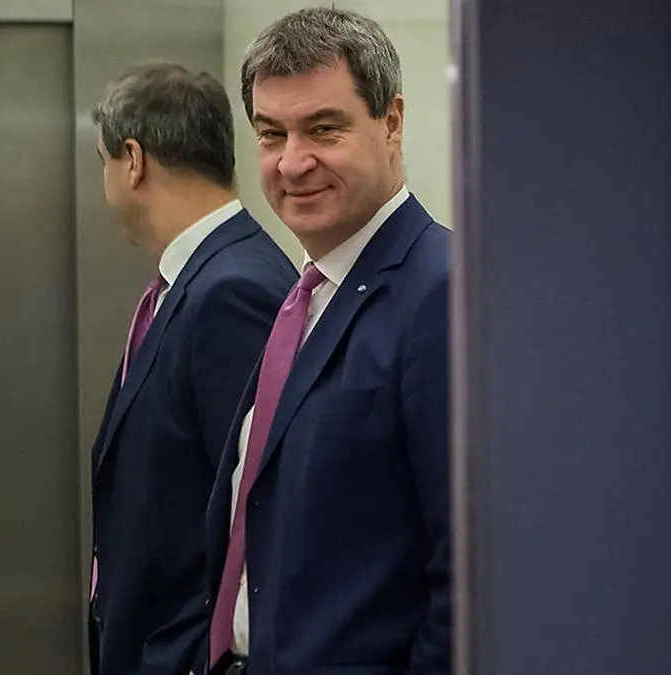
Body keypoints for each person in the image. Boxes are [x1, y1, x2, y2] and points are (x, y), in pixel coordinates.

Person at [204, 8, 452, 675]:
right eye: (271, 133)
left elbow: (467, 571)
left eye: (323, 129)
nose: (293, 162)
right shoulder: (308, 297)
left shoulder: (442, 295)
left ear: (391, 122)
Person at [88, 61, 298, 675]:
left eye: (103, 162)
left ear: (133, 161)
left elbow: (255, 513)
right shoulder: (196, 280)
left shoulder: (232, 291)